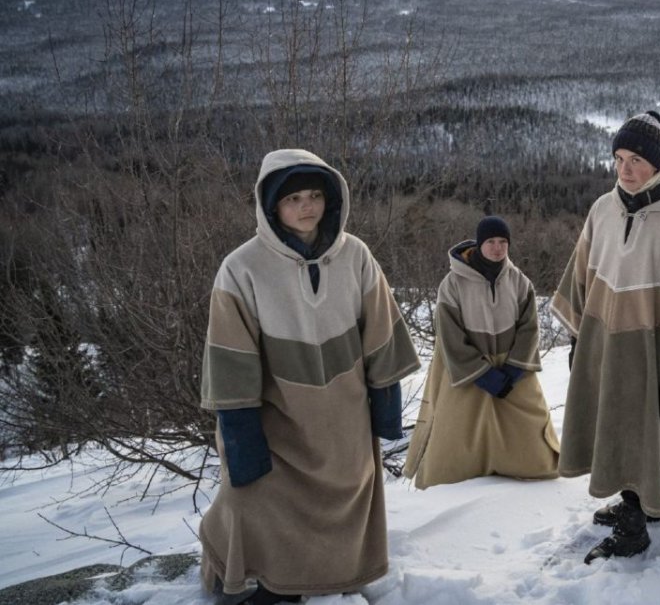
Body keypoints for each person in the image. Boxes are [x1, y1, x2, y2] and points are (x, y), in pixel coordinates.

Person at [199, 149, 421, 604]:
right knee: (255, 499)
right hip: (277, 418)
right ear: (271, 207)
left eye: (315, 195)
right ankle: (267, 580)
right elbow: (230, 360)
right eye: (293, 198)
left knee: (346, 502)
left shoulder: (355, 255)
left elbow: (380, 331)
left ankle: (335, 574)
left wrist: (385, 407)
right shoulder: (241, 269)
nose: (306, 207)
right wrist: (240, 436)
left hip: (345, 418)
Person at [551, 111, 660, 564]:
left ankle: (637, 523)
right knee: (616, 426)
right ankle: (634, 499)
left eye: (635, 160)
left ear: (657, 164)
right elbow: (582, 277)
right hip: (606, 343)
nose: (624, 169)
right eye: (618, 158)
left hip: (655, 352)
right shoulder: (603, 209)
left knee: (643, 430)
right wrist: (579, 338)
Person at [403, 214, 560, 488]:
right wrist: (482, 374)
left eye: (503, 242)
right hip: (466, 371)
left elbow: (529, 327)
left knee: (536, 449)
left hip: (511, 367)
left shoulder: (519, 281)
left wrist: (514, 368)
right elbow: (450, 336)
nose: (498, 248)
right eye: (491, 241)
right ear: (479, 243)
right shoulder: (452, 284)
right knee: (453, 448)